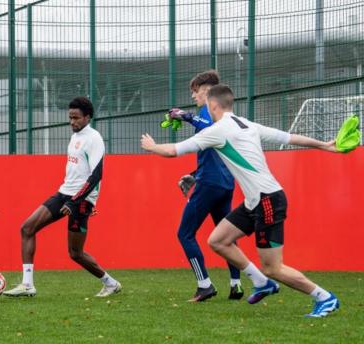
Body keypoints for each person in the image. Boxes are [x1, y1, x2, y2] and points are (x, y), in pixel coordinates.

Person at [140, 84, 340, 318]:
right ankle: (261, 282)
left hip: (267, 201)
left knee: (273, 267)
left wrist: (152, 147)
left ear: (212, 104)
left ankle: (325, 298)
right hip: (256, 200)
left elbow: (174, 150)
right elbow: (288, 137)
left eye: (204, 99)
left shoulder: (219, 130)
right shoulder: (246, 123)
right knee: (218, 240)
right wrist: (324, 144)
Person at [3, 97, 121, 298]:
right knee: (27, 228)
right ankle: (27, 284)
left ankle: (110, 283)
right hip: (64, 193)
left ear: (87, 117)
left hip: (80, 201)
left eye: (76, 118)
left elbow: (96, 175)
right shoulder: (76, 136)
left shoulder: (94, 138)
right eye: (70, 117)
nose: (72, 122)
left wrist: (76, 201)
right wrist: (68, 197)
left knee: (75, 253)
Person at [167, 70, 242, 302]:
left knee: (185, 234)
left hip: (210, 184)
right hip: (225, 183)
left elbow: (206, 127)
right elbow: (214, 155)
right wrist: (193, 175)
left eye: (196, 91)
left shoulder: (208, 113)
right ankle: (236, 285)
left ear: (208, 91)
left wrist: (184, 115)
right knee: (226, 237)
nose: (193, 96)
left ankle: (204, 285)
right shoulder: (228, 118)